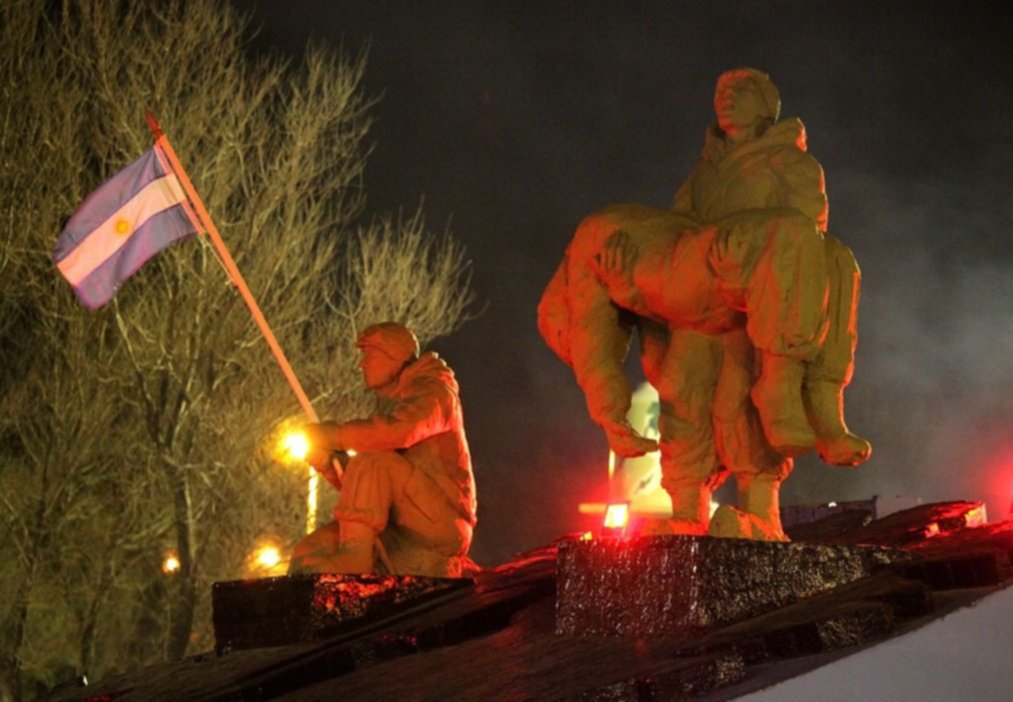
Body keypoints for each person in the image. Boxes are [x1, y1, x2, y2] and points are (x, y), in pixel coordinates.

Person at [538, 68, 868, 539]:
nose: (726, 99)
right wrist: (631, 288)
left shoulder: (793, 165)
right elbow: (677, 245)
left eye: (740, 92)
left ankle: (762, 512)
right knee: (684, 398)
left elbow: (803, 239)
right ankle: (688, 513)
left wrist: (742, 270)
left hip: (752, 311)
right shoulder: (705, 172)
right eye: (720, 92)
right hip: (700, 307)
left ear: (766, 105)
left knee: (742, 409)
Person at [288, 323, 477, 578]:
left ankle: (354, 556)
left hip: (442, 526)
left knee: (373, 454)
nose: (362, 365)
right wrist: (328, 461)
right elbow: (367, 493)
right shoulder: (390, 405)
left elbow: (399, 432)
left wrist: (335, 435)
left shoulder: (435, 392)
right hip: (399, 524)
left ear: (393, 357)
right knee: (308, 552)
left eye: (369, 355)